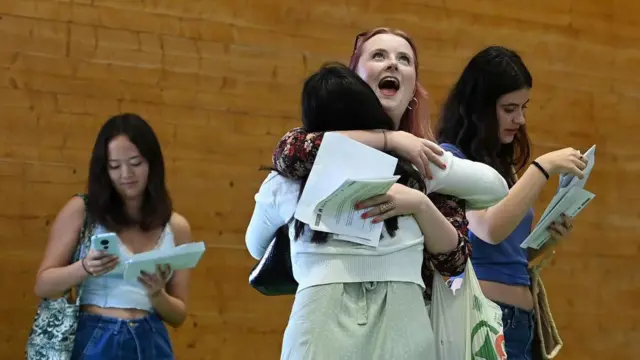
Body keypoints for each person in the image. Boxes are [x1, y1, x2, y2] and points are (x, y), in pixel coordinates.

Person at [247, 61, 481, 359]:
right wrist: (415, 189)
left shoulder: (285, 182)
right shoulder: (413, 172)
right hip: (403, 322)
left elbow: (255, 246)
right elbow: (492, 195)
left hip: (317, 322)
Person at [268, 28, 473, 306]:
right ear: (355, 77)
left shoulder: (428, 158)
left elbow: (455, 263)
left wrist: (420, 205)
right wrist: (390, 139)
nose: (392, 63)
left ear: (413, 87)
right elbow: (288, 154)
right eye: (379, 55)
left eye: (404, 59)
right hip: (332, 313)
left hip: (406, 318)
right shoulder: (316, 141)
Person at [436, 45, 588, 360]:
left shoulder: (501, 166)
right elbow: (489, 229)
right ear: (480, 107)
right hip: (484, 317)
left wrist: (546, 238)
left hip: (522, 323)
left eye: (523, 107)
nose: (519, 118)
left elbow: (506, 251)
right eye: (509, 108)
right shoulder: (452, 158)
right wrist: (542, 168)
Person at [33, 113, 192, 359]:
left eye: (136, 162)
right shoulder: (82, 211)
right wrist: (85, 267)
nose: (126, 174)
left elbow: (179, 315)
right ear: (104, 169)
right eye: (114, 166)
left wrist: (157, 295)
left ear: (152, 163)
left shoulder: (176, 226)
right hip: (96, 335)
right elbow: (43, 284)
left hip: (151, 338)